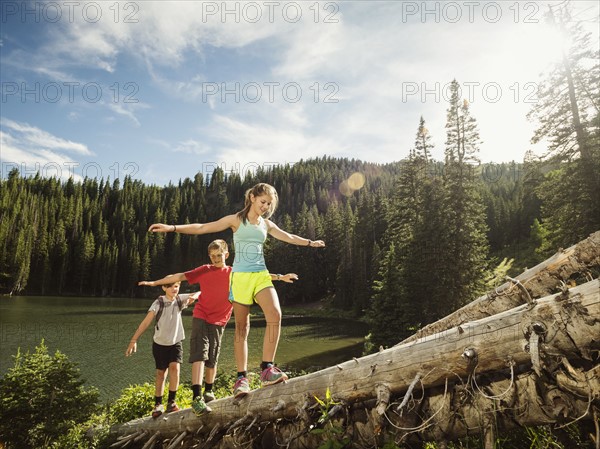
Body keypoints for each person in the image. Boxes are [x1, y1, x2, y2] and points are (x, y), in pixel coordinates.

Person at [148, 182, 325, 399]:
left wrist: (310, 243)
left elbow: (288, 236)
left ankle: (267, 368)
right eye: (263, 202)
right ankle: (242, 377)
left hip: (260, 275)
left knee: (275, 314)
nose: (266, 207)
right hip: (240, 278)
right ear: (252, 197)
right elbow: (203, 227)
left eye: (269, 204)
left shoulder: (266, 224)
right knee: (242, 328)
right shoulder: (236, 220)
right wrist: (172, 228)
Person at [139, 239, 299, 415]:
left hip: (220, 320)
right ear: (209, 256)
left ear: (227, 255)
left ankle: (208, 390)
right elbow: (179, 276)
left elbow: (258, 277)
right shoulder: (204, 270)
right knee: (200, 354)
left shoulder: (234, 272)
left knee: (212, 357)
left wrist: (280, 277)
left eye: (219, 255)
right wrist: (154, 283)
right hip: (201, 316)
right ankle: (197, 398)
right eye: (212, 256)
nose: (215, 259)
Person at [125, 280, 198, 418]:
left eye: (176, 286)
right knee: (160, 373)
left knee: (175, 369)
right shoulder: (158, 302)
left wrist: (194, 297)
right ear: (164, 288)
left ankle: (171, 401)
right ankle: (158, 404)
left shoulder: (179, 299)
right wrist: (134, 340)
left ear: (179, 287)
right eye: (170, 287)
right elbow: (146, 321)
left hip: (175, 342)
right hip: (159, 344)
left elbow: (201, 292)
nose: (173, 289)